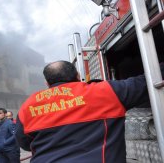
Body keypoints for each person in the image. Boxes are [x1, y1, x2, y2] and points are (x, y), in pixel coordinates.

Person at [15, 60, 162, 163]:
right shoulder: (106, 92)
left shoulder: (28, 106)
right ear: (78, 76)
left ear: (47, 83)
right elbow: (149, 79)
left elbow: (25, 144)